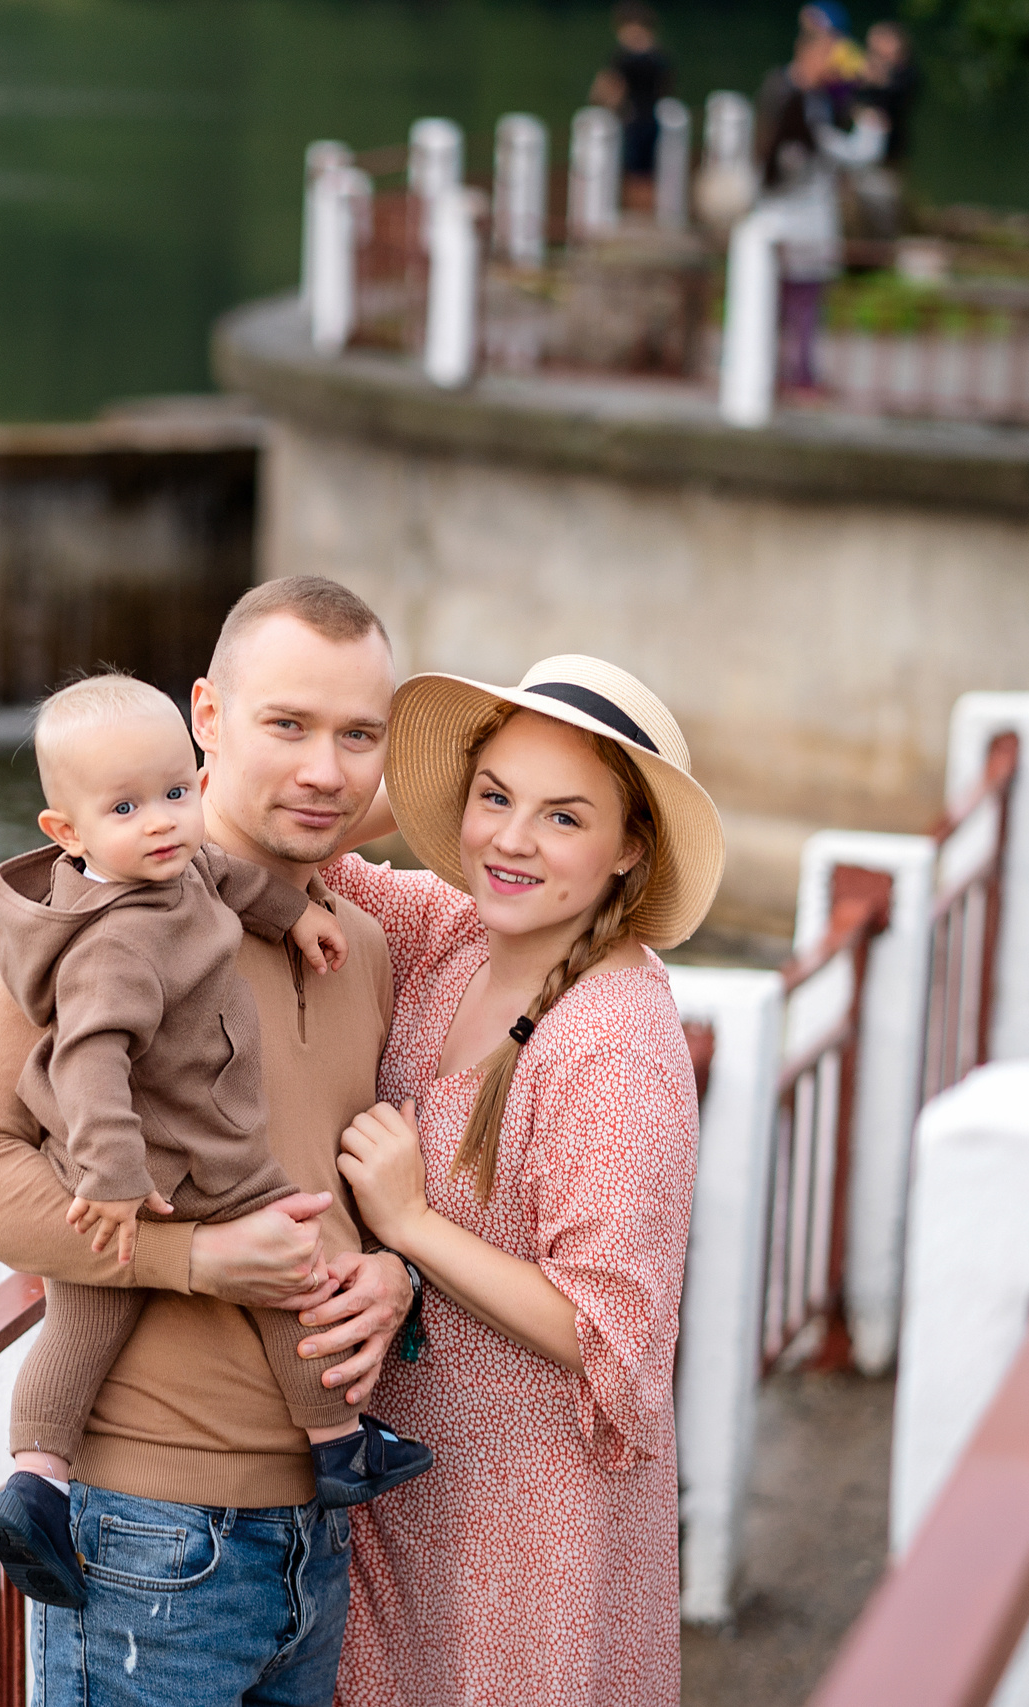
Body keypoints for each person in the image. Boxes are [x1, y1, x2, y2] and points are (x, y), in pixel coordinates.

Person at [0, 576, 415, 1707]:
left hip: (319, 1531)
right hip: (153, 1540)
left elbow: (328, 1182)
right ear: (208, 716)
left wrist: (394, 1278)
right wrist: (189, 1258)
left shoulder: (362, 944)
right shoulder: (102, 921)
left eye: (358, 735)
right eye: (287, 724)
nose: (325, 770)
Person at [320, 656, 722, 1707]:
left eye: (563, 817)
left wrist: (410, 1221)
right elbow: (296, 840)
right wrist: (421, 794)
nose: (511, 840)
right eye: (495, 797)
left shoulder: (613, 1042)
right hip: (409, 1498)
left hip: (527, 1536)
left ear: (630, 847)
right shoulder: (458, 934)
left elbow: (608, 1332)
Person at [754, 24, 888, 391]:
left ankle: (783, 373)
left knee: (789, 303)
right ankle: (795, 376)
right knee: (797, 303)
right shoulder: (796, 100)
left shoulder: (801, 95)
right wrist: (871, 127)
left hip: (788, 217)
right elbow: (836, 153)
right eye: (829, 56)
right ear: (811, 54)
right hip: (798, 221)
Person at [591, 2, 676, 199]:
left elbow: (609, 88)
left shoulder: (623, 57)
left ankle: (637, 210)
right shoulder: (660, 55)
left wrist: (602, 105)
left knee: (634, 175)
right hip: (654, 120)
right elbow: (667, 87)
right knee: (651, 173)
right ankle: (650, 209)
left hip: (633, 120)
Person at [855, 21, 921, 238]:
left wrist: (876, 78)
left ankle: (886, 243)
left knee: (887, 201)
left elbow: (897, 98)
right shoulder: (865, 71)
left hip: (890, 152)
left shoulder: (907, 73)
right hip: (862, 148)